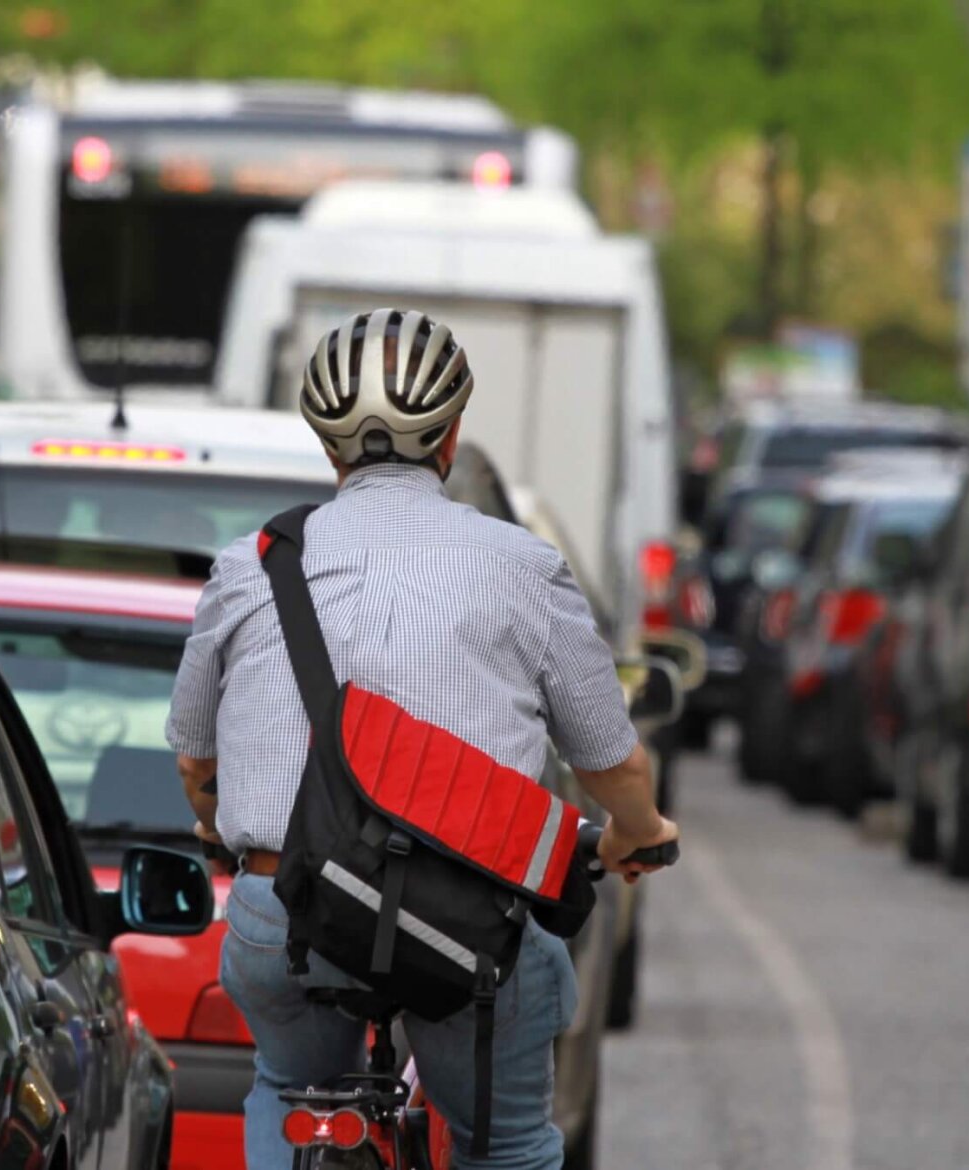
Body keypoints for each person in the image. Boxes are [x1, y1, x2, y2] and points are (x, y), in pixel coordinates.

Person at [166, 308, 679, 1168]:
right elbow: (614, 761)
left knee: (285, 1088)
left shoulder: (249, 567)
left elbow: (195, 758)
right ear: (452, 436)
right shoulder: (522, 566)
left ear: (326, 447)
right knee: (506, 1141)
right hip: (465, 931)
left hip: (283, 912)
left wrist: (221, 828)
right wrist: (639, 831)